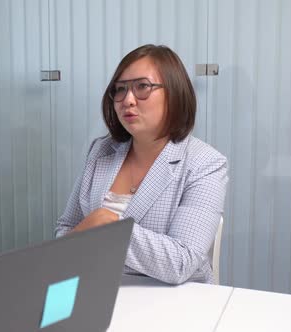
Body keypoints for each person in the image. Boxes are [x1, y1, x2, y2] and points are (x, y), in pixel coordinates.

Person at [54, 44, 228, 285]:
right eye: (120, 89)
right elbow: (67, 228)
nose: (128, 100)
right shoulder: (101, 150)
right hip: (94, 288)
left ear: (175, 93)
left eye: (142, 87)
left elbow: (183, 261)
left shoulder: (205, 163)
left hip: (173, 300)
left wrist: (109, 230)